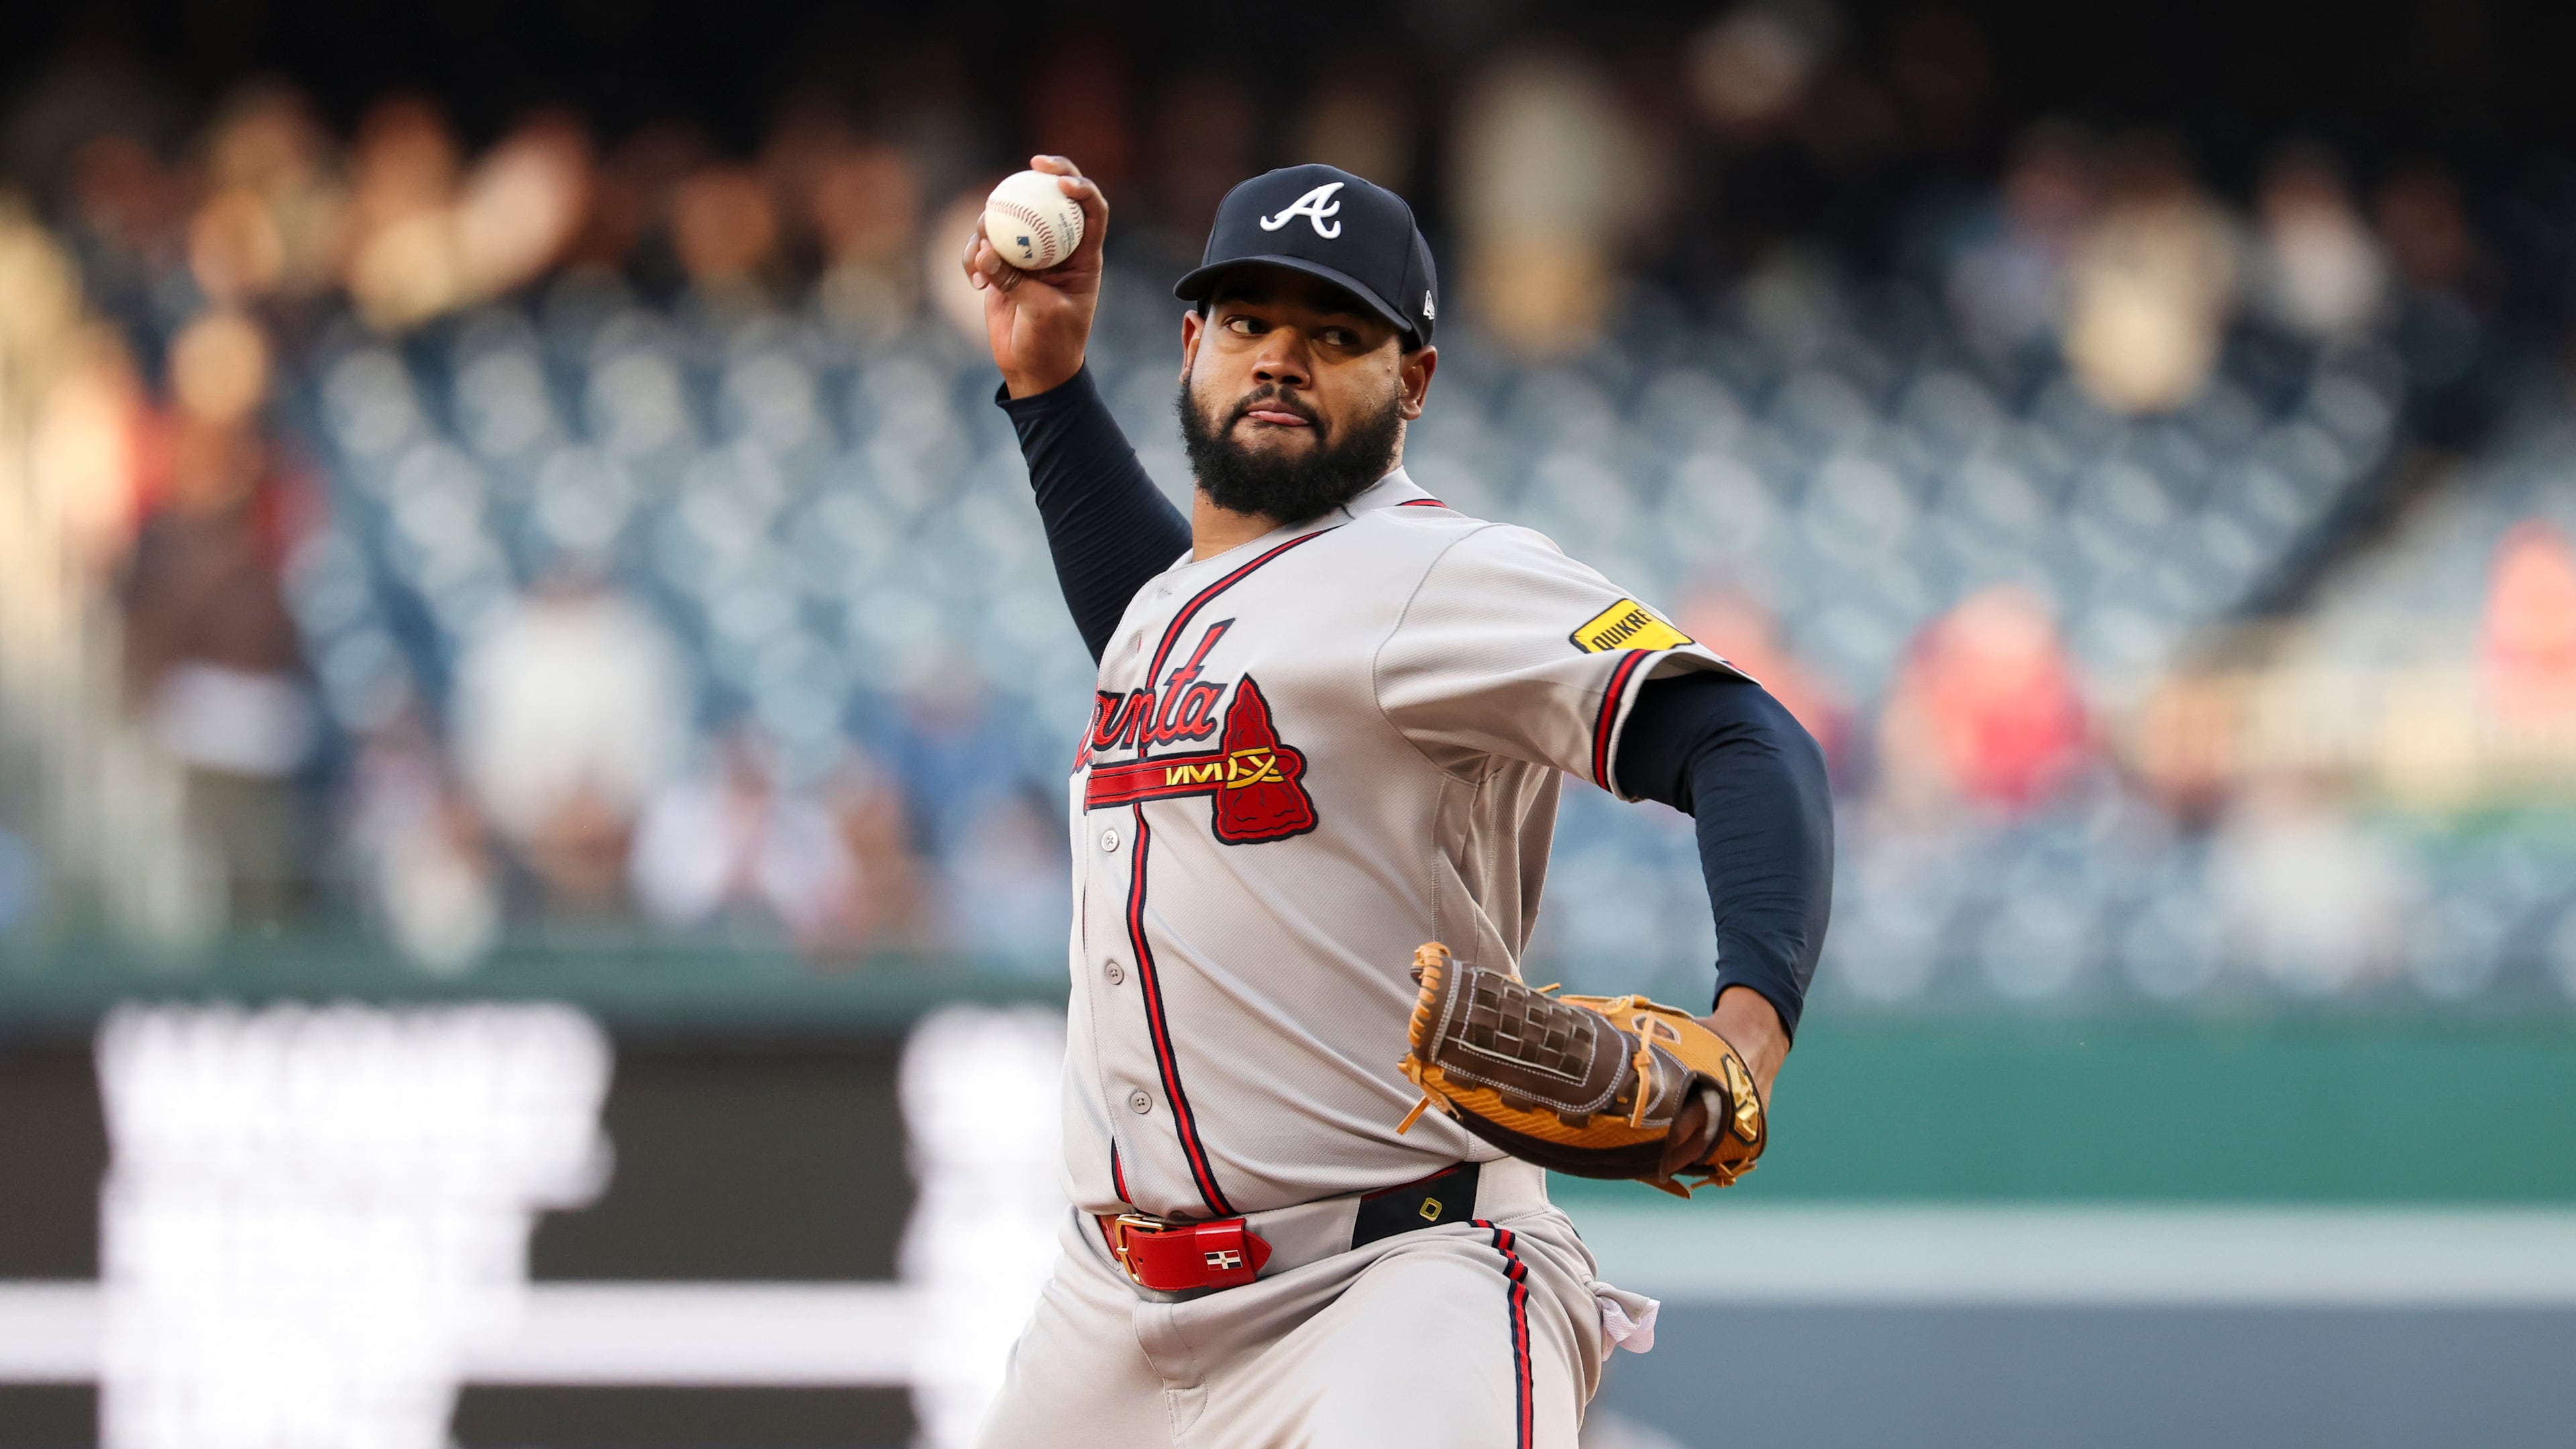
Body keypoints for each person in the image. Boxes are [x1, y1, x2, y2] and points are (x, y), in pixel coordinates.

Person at [959, 158, 1833, 1448]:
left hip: (1391, 1284)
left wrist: (1748, 1036)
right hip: (1114, 1310)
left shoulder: (1443, 571)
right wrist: (1045, 383)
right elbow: (1185, 631)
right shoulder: (1179, 609)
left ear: (1412, 380)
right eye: (1249, 322)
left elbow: (1745, 739)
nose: (1280, 359)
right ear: (1192, 343)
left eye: (1335, 334)